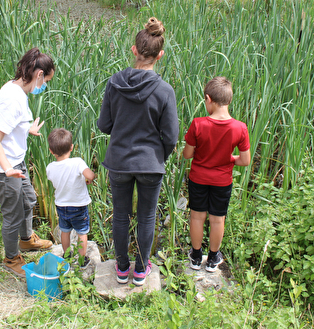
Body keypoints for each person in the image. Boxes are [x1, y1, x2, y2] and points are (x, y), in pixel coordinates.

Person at [97, 17, 179, 286]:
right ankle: (141, 271)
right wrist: (158, 156)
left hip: (119, 161)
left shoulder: (114, 83)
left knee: (120, 214)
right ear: (160, 55)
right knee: (146, 216)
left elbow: (104, 125)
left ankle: (121, 269)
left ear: (134, 50)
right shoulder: (165, 91)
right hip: (150, 164)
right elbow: (171, 136)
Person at [0, 47, 56, 278]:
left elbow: (10, 126)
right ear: (39, 74)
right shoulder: (13, 100)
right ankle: (11, 258)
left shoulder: (16, 88)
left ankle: (27, 240)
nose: (44, 87)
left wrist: (27, 129)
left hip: (15, 161)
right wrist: (8, 170)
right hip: (3, 167)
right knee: (12, 214)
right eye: (46, 81)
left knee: (29, 200)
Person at [183, 76, 251, 272]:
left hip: (198, 178)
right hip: (222, 181)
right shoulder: (240, 127)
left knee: (197, 217)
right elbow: (245, 161)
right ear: (229, 100)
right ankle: (213, 258)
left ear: (208, 98)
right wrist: (229, 159)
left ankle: (196, 257)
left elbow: (187, 155)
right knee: (217, 218)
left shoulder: (198, 124)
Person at [46, 128, 95, 269]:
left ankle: (66, 255)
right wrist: (89, 179)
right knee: (82, 232)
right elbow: (90, 175)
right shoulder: (77, 162)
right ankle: (82, 260)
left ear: (51, 151)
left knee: (65, 230)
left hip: (61, 205)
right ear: (71, 147)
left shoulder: (50, 167)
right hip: (79, 206)